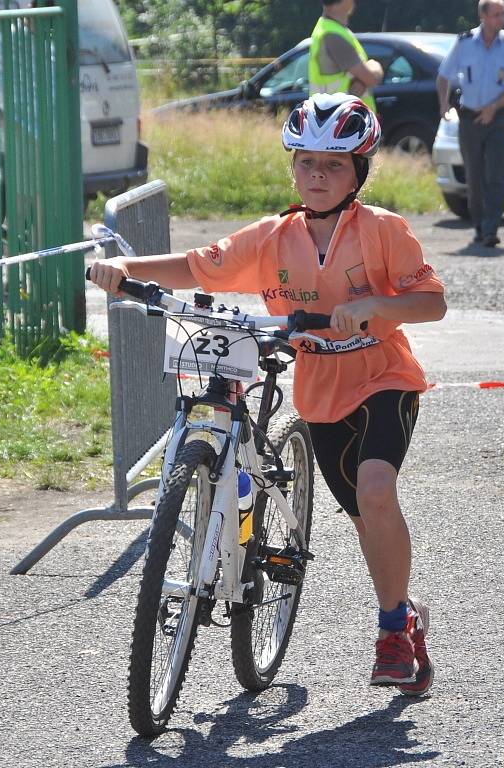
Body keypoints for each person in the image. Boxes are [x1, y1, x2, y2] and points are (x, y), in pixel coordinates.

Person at [89, 93, 446, 695]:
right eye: (306, 162)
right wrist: (127, 273)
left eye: (333, 165)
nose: (316, 176)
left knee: (377, 490)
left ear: (358, 170)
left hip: (384, 378)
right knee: (363, 518)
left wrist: (378, 306)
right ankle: (407, 611)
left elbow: (431, 301)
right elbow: (198, 266)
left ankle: (389, 629)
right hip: (319, 394)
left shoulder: (384, 231)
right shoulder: (272, 237)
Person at [436, 0, 504, 247]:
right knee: (474, 175)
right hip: (470, 117)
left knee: (495, 172)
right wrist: (443, 104)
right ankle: (479, 224)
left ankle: (491, 227)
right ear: (484, 16)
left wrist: (494, 107)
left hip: (500, 117)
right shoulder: (464, 43)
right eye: (497, 14)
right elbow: (444, 75)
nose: (501, 19)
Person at [309, 0, 383, 111]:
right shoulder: (333, 34)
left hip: (334, 118)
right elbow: (371, 78)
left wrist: (361, 82)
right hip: (343, 120)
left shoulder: (327, 28)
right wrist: (375, 66)